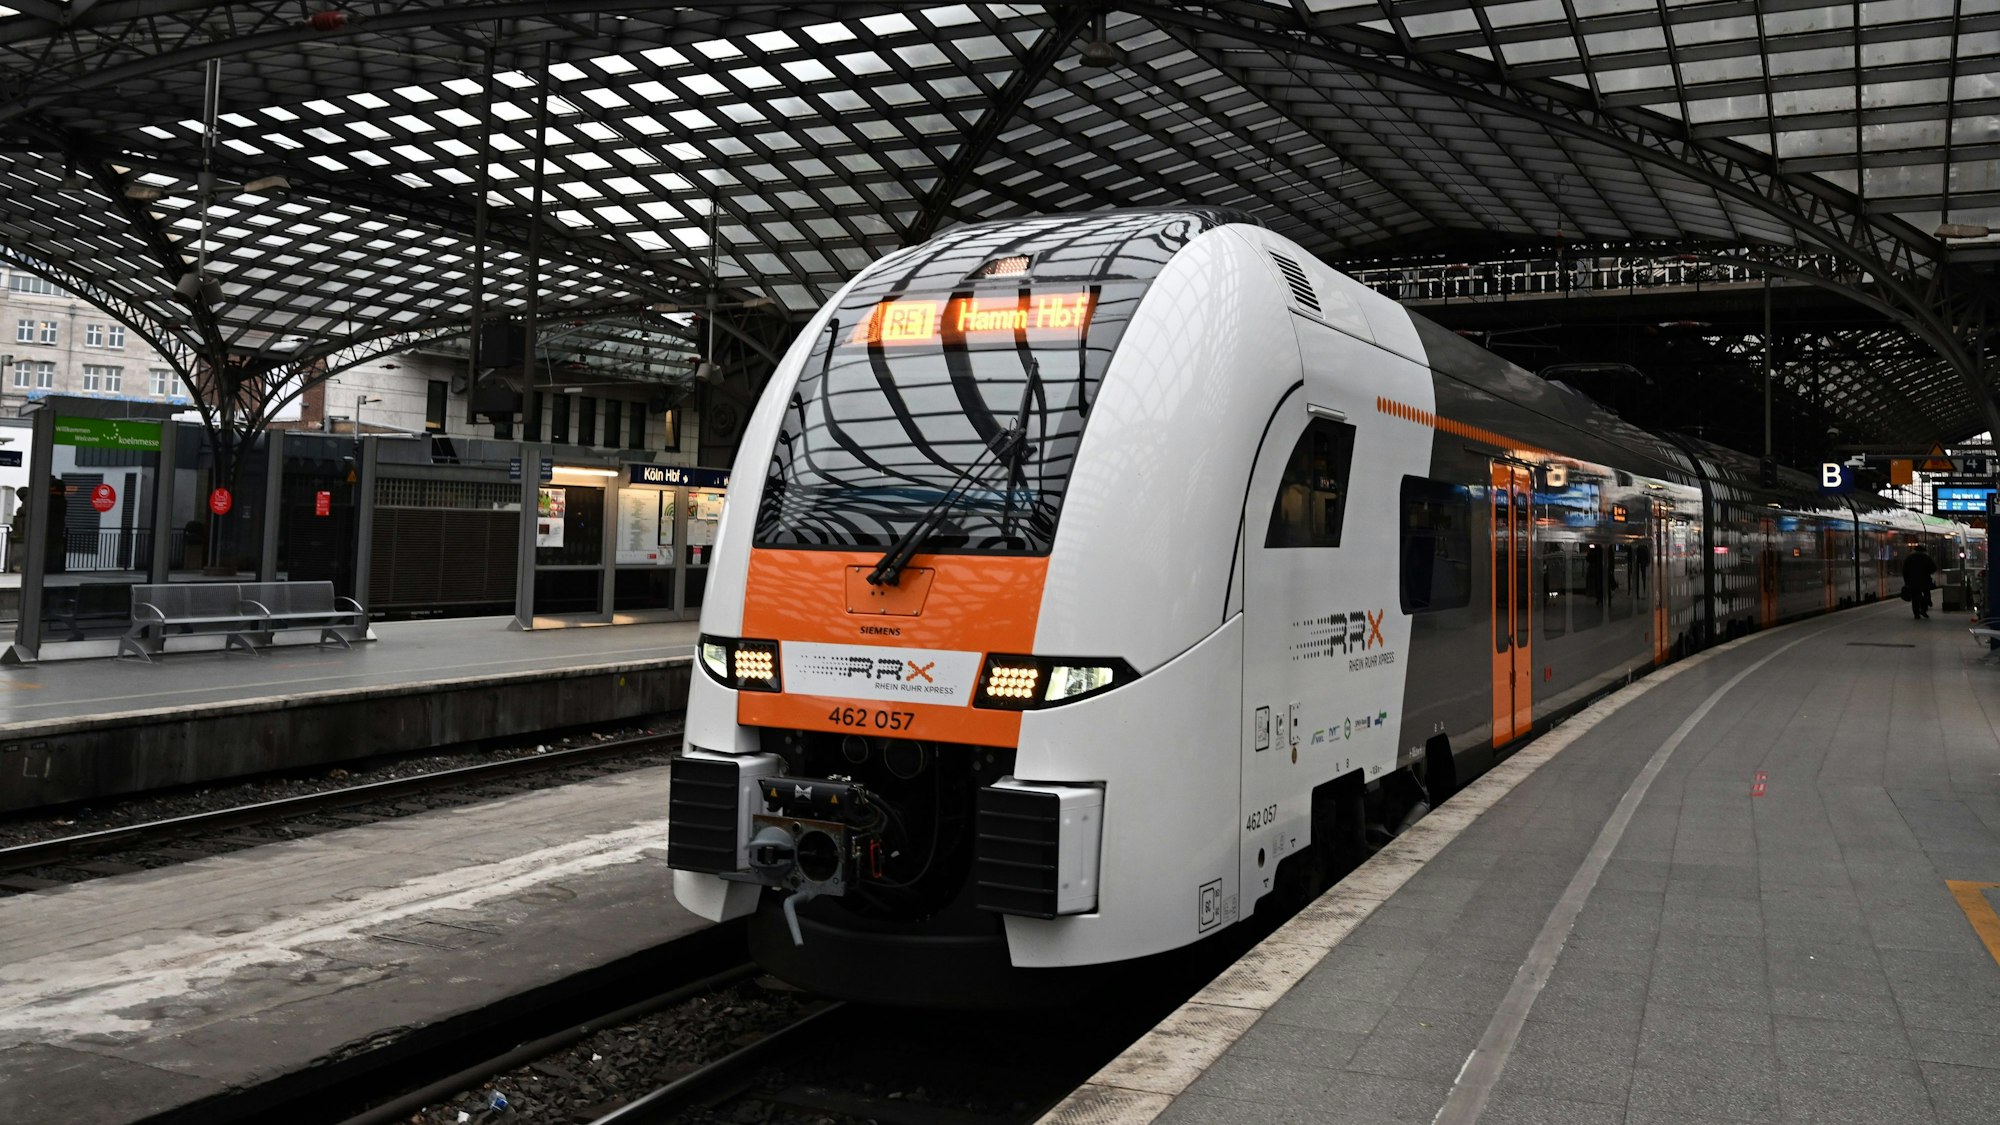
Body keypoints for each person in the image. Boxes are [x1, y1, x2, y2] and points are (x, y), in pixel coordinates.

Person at [1902, 543, 1938, 619]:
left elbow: (1905, 570)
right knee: (1926, 595)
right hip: (1925, 580)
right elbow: (1934, 568)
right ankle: (1924, 609)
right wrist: (1927, 572)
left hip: (1912, 581)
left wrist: (1906, 581)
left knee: (1915, 598)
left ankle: (1916, 614)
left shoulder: (1909, 558)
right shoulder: (1926, 557)